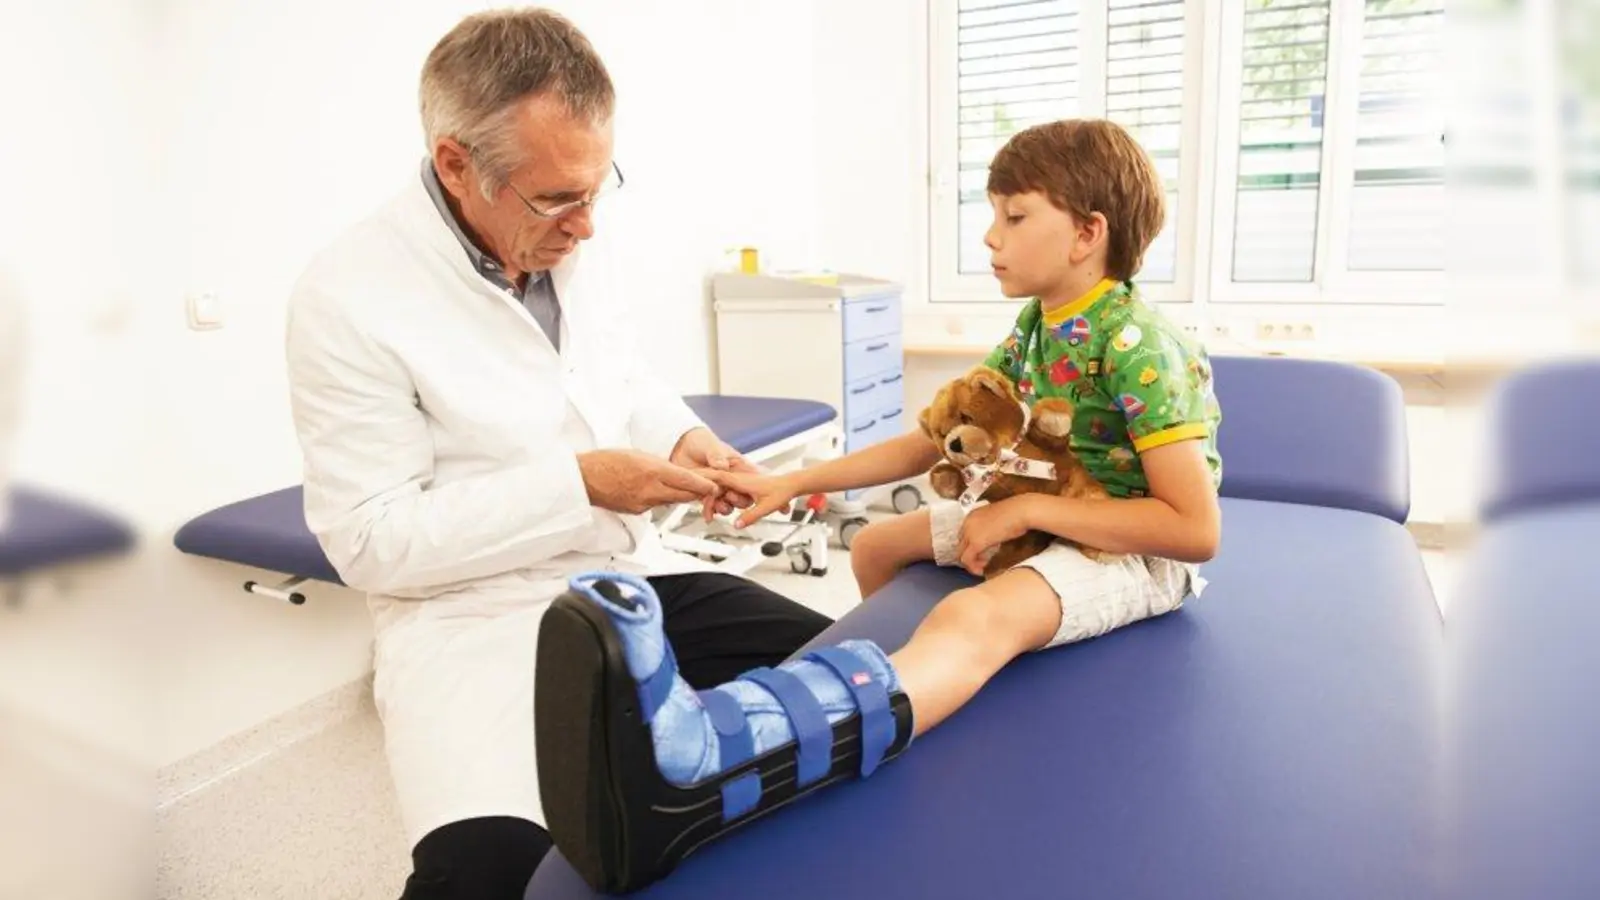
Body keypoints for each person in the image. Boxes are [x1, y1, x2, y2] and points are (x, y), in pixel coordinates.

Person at [546, 118, 1224, 875]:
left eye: (1015, 216)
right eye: (992, 214)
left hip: (1130, 549)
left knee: (973, 614)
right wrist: (792, 481)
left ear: (1087, 234)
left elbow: (1193, 530)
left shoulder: (1140, 346)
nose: (990, 238)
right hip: (1047, 524)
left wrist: (1024, 510)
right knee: (873, 544)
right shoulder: (1036, 328)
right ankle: (907, 691)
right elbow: (931, 439)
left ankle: (731, 761)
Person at [282, 9, 831, 898]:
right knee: (491, 873)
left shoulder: (564, 237)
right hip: (473, 620)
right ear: (457, 164)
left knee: (837, 678)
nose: (586, 226)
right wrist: (581, 484)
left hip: (628, 581)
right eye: (556, 200)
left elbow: (622, 377)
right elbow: (371, 541)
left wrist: (686, 436)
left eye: (595, 188)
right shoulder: (350, 296)